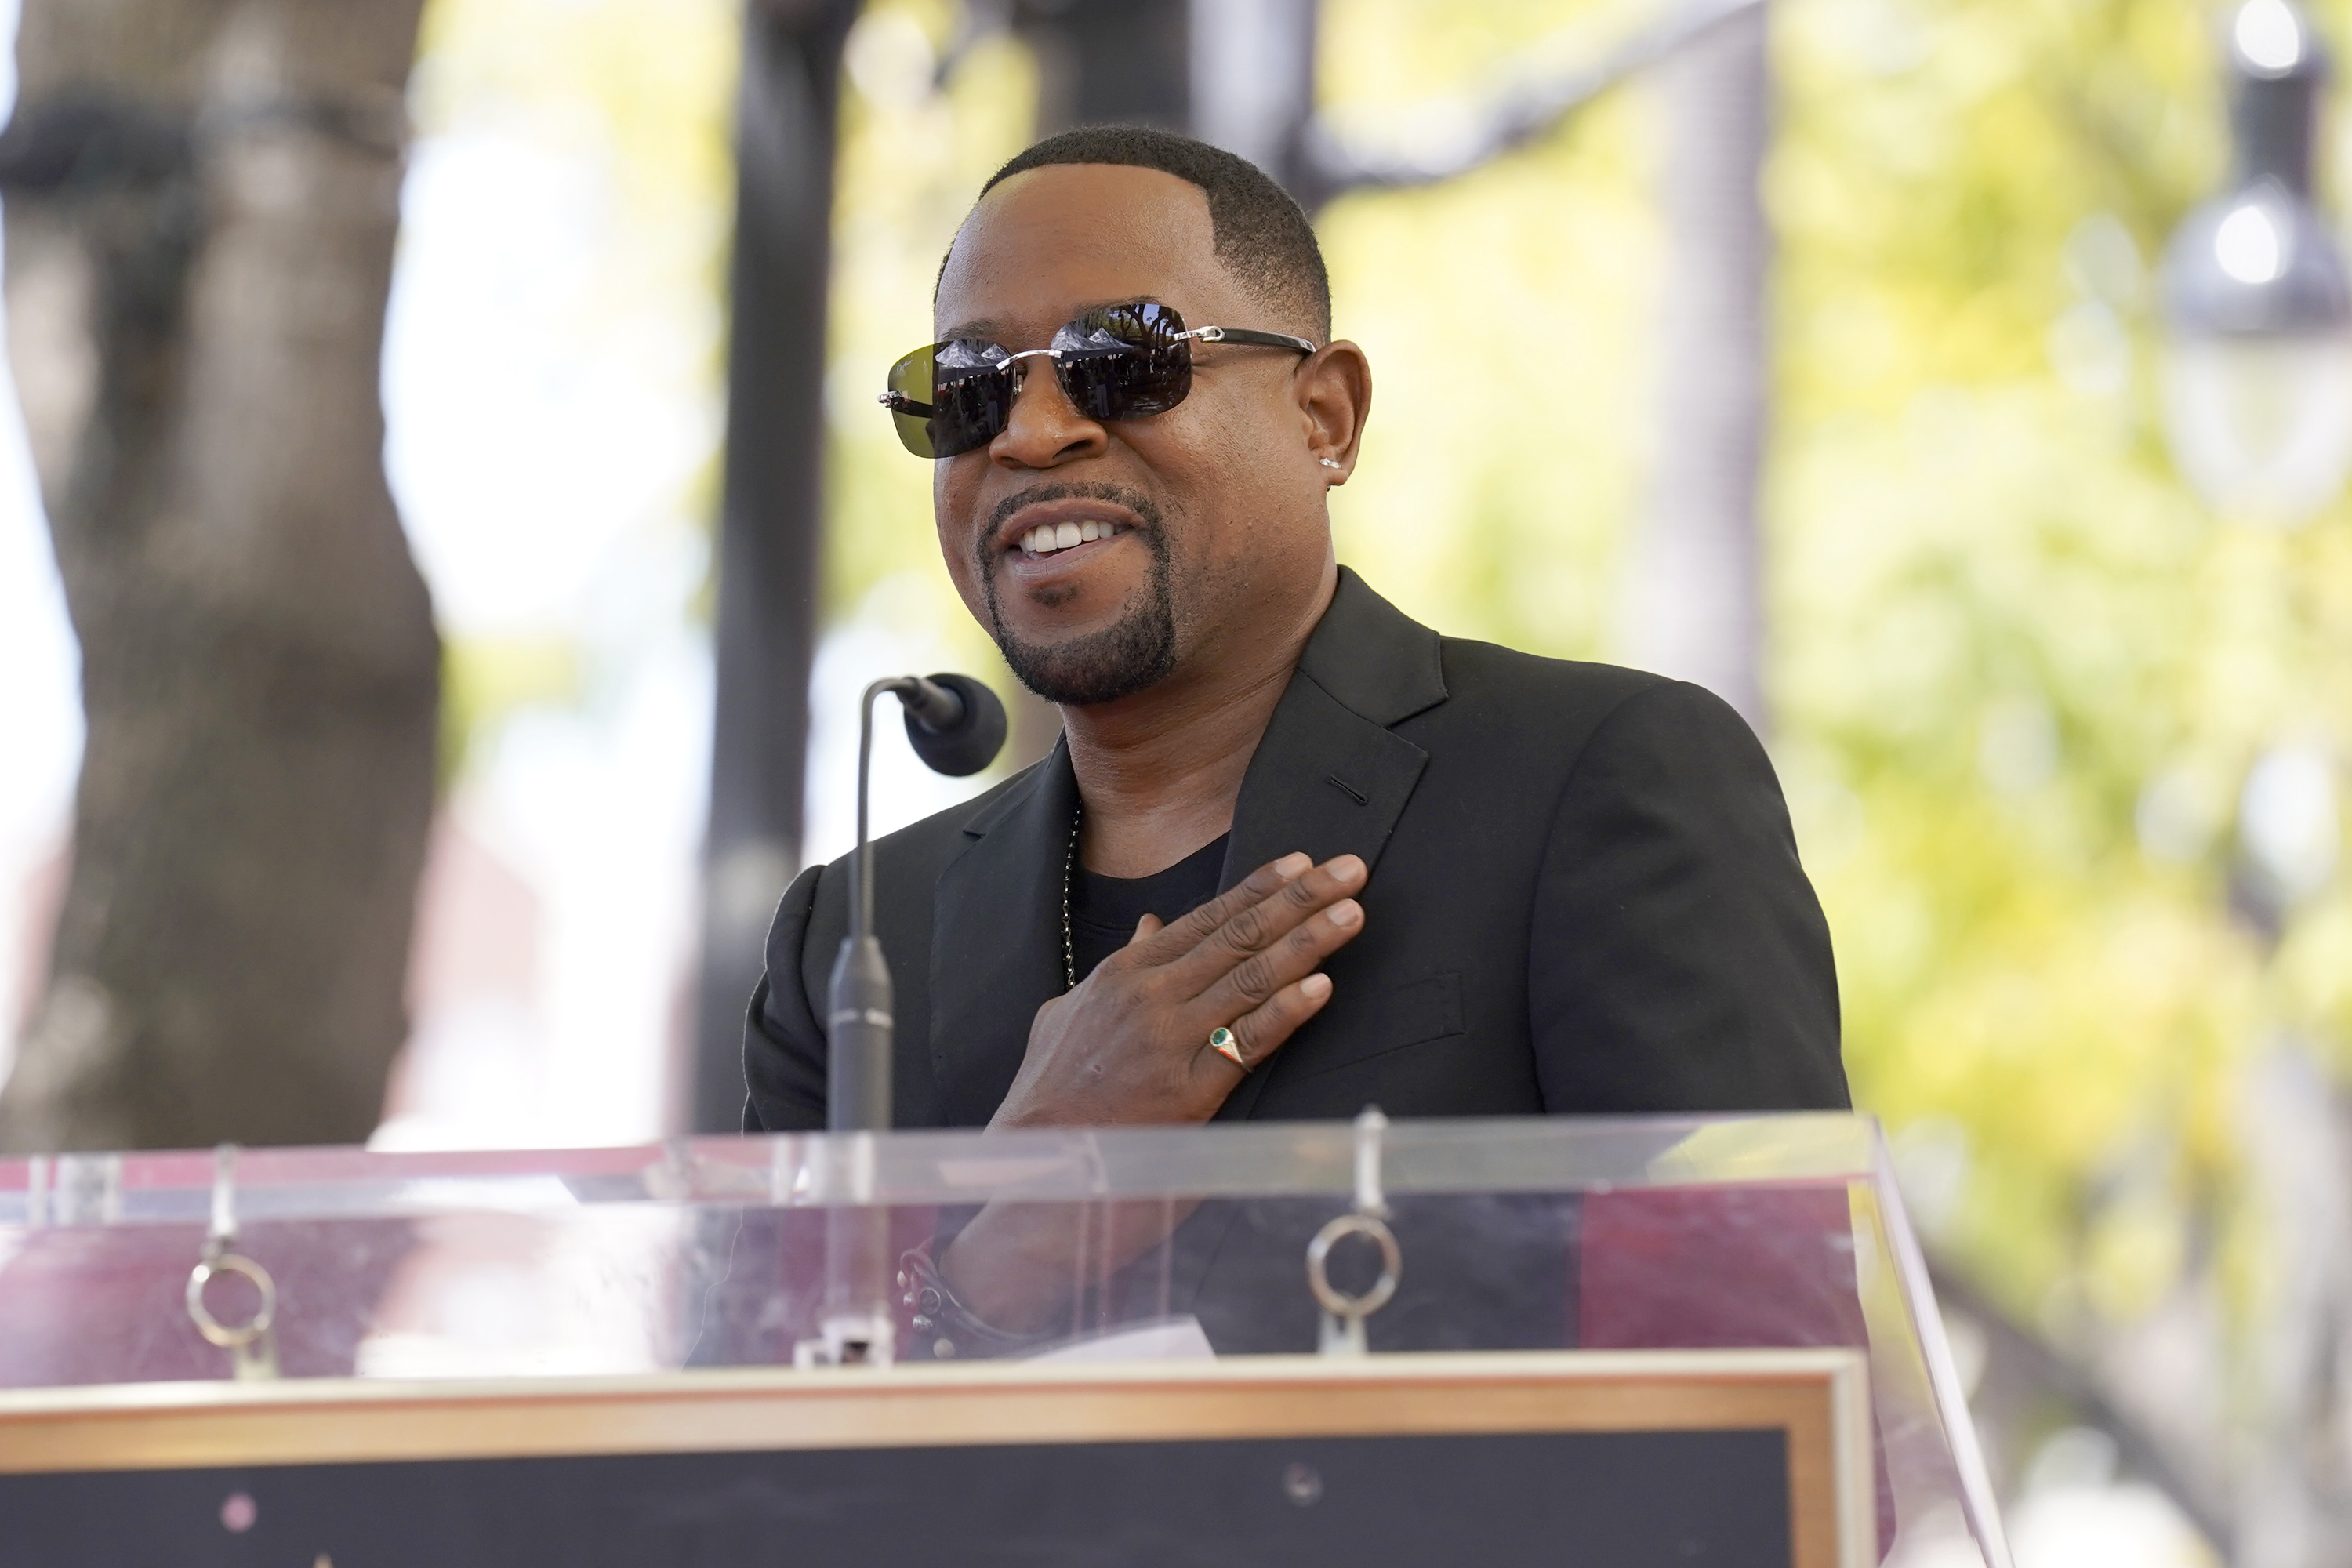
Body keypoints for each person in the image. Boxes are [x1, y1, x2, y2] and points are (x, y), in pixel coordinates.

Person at [741, 125, 1846, 1347]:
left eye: (1123, 359)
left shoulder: (1597, 782)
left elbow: (1776, 1418)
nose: (1030, 430)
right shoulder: (852, 946)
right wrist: (1020, 1232)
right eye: (968, 387)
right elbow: (732, 1500)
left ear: (1325, 415)